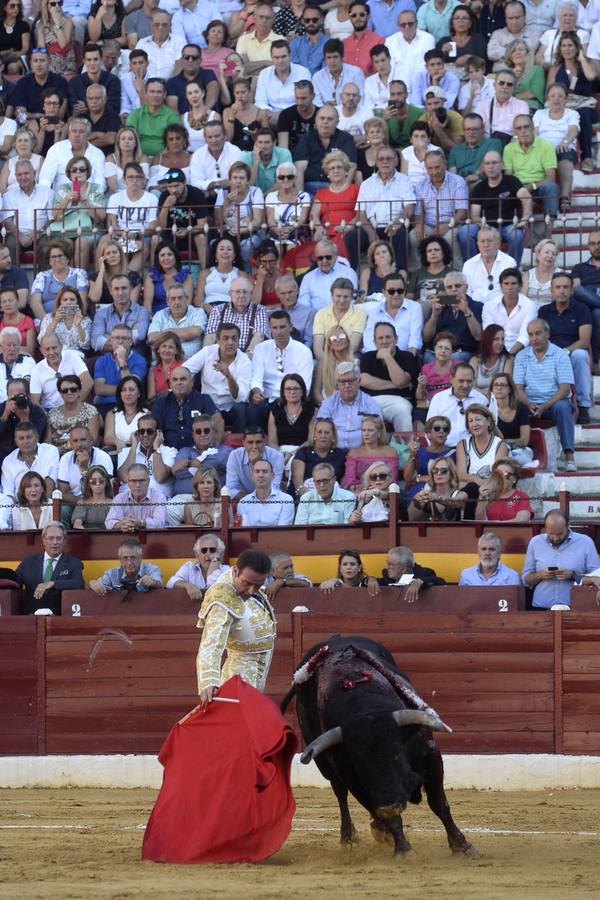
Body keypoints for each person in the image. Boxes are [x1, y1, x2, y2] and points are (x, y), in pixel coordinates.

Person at [195, 548, 274, 705]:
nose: (252, 591)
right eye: (247, 583)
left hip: (255, 679)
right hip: (237, 683)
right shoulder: (223, 598)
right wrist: (209, 681)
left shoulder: (246, 582)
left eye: (258, 586)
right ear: (235, 571)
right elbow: (211, 644)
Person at [513, 318, 577, 470]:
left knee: (563, 407)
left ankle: (569, 457)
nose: (534, 338)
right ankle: (514, 452)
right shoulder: (521, 356)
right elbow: (518, 388)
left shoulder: (560, 354)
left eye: (538, 333)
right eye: (530, 335)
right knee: (513, 406)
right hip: (529, 404)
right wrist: (529, 405)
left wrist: (544, 407)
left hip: (553, 404)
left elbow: (565, 389)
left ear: (547, 334)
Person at [536, 272, 593, 424]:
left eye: (566, 287)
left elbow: (585, 340)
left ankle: (583, 406)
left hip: (572, 352)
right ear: (552, 290)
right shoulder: (544, 311)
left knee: (580, 355)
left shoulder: (582, 309)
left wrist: (565, 351)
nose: (562, 291)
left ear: (572, 290)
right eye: (558, 287)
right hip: (549, 353)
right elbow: (540, 337)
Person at [347, 145, 415, 271]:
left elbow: (409, 207)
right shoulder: (366, 184)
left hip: (394, 226)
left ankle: (401, 272)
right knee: (352, 236)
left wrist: (397, 223)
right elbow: (360, 213)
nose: (385, 162)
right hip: (371, 227)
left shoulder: (405, 181)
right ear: (376, 162)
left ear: (396, 161)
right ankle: (353, 272)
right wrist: (370, 232)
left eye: (389, 158)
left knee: (402, 234)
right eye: (381, 159)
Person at [459, 150, 531, 266]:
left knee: (517, 236)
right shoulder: (479, 187)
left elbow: (526, 198)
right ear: (483, 166)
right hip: (485, 226)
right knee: (465, 232)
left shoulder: (511, 181)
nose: (490, 167)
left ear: (501, 165)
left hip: (509, 225)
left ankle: (512, 269)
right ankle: (473, 266)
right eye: (487, 164)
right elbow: (475, 215)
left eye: (494, 163)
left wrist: (525, 218)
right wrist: (483, 226)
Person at [522, 509, 599, 609]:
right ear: (545, 528)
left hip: (575, 608)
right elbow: (525, 580)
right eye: (551, 534)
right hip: (541, 608)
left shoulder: (585, 542)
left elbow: (596, 578)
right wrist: (540, 575)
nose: (555, 538)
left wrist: (573, 575)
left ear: (568, 525)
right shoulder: (535, 542)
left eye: (559, 534)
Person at [185, 323, 251, 432]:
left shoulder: (245, 361)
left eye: (234, 339)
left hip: (231, 408)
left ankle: (238, 443)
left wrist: (229, 376)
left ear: (239, 340)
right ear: (217, 340)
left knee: (241, 409)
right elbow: (186, 370)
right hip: (207, 407)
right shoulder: (207, 352)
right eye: (225, 338)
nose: (230, 342)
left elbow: (241, 397)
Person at [546, 31, 597, 173]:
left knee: (582, 113)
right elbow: (549, 91)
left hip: (585, 105)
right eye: (563, 46)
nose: (567, 49)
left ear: (577, 48)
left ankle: (587, 157)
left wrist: (582, 59)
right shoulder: (556, 68)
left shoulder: (587, 63)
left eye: (570, 45)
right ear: (559, 48)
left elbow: (591, 76)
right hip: (563, 106)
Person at [359, 322, 418, 432]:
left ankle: (404, 448)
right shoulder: (367, 357)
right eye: (380, 338)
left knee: (402, 411)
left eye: (388, 337)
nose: (384, 341)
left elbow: (400, 381)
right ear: (375, 342)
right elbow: (364, 381)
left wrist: (387, 357)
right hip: (371, 401)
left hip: (399, 401)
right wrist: (395, 385)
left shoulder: (407, 356)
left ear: (396, 339)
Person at [14, 521, 84, 615]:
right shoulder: (28, 562)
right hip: (30, 617)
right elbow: (14, 583)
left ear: (64, 541)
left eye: (59, 538)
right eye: (51, 538)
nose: (55, 542)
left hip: (60, 617)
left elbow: (79, 583)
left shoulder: (74, 563)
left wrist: (53, 583)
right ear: (43, 540)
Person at [412, 149, 468, 263]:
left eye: (437, 167)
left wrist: (447, 225)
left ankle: (457, 270)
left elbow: (462, 212)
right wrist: (419, 225)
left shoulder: (458, 182)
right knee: (413, 236)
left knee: (449, 238)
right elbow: (418, 212)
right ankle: (419, 271)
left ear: (445, 165)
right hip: (429, 225)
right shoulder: (420, 185)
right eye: (430, 168)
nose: (434, 172)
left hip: (452, 224)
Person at [502, 114, 560, 224]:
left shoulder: (546, 146)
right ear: (515, 132)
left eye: (526, 126)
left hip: (539, 187)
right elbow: (508, 178)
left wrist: (531, 186)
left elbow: (551, 178)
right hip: (517, 188)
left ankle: (549, 231)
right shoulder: (508, 149)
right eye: (519, 128)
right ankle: (513, 228)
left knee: (552, 187)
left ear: (533, 128)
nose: (523, 131)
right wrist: (520, 189)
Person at [455, 403, 508, 517]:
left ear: (488, 421)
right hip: (468, 486)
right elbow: (461, 474)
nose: (474, 424)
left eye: (478, 419)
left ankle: (466, 523)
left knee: (474, 490)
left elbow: (498, 475)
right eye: (470, 421)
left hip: (492, 486)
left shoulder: (499, 445)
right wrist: (476, 480)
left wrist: (483, 484)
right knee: (471, 488)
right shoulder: (463, 444)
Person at [293, 103, 357, 197]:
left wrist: (342, 192)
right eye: (322, 118)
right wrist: (301, 197)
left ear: (337, 122)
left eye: (329, 119)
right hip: (309, 187)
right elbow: (299, 168)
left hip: (335, 187)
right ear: (316, 120)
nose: (325, 121)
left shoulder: (346, 138)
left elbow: (351, 166)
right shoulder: (306, 138)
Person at [106, 162, 158, 272]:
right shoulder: (115, 198)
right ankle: (101, 276)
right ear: (124, 179)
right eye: (130, 177)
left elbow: (153, 227)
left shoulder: (151, 198)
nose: (134, 180)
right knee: (103, 241)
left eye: (138, 177)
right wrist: (123, 233)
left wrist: (136, 234)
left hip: (143, 236)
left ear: (144, 179)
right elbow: (111, 225)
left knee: (145, 246)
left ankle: (128, 276)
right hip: (120, 235)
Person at [316, 361, 382, 448]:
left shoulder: (370, 403)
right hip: (333, 452)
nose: (347, 385)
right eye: (342, 381)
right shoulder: (329, 403)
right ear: (337, 384)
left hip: (362, 451)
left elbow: (378, 430)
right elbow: (320, 429)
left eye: (351, 381)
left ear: (359, 381)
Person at [427, 363, 494, 448]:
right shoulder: (438, 399)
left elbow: (487, 429)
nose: (465, 385)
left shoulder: (481, 400)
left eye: (469, 381)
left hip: (472, 449)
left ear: (474, 380)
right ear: (451, 379)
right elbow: (429, 429)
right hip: (443, 449)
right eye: (461, 381)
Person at [422, 272, 483, 364]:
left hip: (462, 351)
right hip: (438, 351)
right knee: (428, 357)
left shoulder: (477, 306)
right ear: (446, 290)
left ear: (466, 288)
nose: (454, 289)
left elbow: (479, 336)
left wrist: (467, 311)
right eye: (449, 287)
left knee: (454, 358)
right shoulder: (440, 305)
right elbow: (426, 338)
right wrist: (434, 316)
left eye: (457, 286)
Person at [214, 160, 265, 268]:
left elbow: (257, 221)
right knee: (214, 244)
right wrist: (226, 202)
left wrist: (240, 230)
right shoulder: (223, 193)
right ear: (230, 180)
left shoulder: (255, 192)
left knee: (245, 247)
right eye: (235, 178)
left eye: (242, 178)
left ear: (247, 181)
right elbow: (218, 222)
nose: (238, 181)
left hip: (251, 233)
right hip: (228, 233)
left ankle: (244, 272)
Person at [1, 159, 54, 261]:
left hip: (41, 234)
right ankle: (14, 277)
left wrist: (36, 234)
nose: (23, 177)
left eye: (26, 173)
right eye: (19, 174)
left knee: (46, 246)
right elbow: (7, 220)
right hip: (16, 234)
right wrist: (20, 236)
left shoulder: (47, 192)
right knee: (10, 246)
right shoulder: (9, 194)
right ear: (16, 177)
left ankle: (43, 276)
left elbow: (51, 218)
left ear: (34, 173)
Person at [38, 116, 106, 195]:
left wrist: (90, 200)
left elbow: (100, 182)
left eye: (81, 131)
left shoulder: (98, 154)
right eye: (74, 131)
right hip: (60, 201)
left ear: (88, 135)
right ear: (69, 133)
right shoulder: (56, 149)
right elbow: (45, 180)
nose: (77, 135)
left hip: (88, 200)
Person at [93, 324, 148, 420]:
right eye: (117, 338)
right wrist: (124, 390)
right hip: (105, 405)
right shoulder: (102, 361)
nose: (120, 341)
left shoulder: (140, 360)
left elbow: (132, 387)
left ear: (130, 342)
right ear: (111, 341)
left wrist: (122, 361)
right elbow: (99, 389)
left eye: (124, 338)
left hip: (130, 406)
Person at [203, 277, 269, 356]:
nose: (241, 295)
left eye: (245, 292)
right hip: (221, 357)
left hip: (249, 357)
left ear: (251, 294)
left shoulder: (259, 310)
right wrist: (209, 358)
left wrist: (246, 357)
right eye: (237, 292)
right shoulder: (218, 310)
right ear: (230, 294)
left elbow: (259, 336)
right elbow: (210, 337)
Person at [156, 167, 209, 265]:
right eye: (170, 186)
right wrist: (165, 207)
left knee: (201, 237)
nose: (173, 190)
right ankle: (156, 274)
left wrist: (187, 230)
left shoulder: (196, 194)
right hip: (171, 235)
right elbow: (161, 226)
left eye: (177, 185)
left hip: (192, 234)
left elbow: (202, 225)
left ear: (184, 183)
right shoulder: (164, 196)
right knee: (156, 239)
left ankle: (205, 273)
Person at [56, 424, 113, 513]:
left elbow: (105, 490)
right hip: (75, 502)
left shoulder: (103, 457)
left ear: (91, 440)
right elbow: (63, 493)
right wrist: (81, 502)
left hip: (99, 503)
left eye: (83, 440)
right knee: (63, 511)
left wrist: (84, 469)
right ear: (70, 443)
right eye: (75, 441)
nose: (79, 444)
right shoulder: (65, 458)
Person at [29, 238, 89, 322]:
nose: (57, 259)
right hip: (47, 320)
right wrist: (48, 322)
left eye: (60, 256)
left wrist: (70, 323)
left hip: (73, 321)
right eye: (53, 257)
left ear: (67, 258)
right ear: (49, 261)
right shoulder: (42, 276)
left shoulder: (79, 274)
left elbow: (83, 302)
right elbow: (35, 303)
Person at [363, 272, 423, 354]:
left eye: (400, 291)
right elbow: (368, 340)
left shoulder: (415, 307)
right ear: (383, 292)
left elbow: (415, 339)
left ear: (405, 291)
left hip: (405, 356)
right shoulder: (375, 312)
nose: (396, 294)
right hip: (379, 357)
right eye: (391, 291)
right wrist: (378, 358)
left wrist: (409, 358)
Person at [254, 40, 311, 125]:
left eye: (283, 56)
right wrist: (270, 113)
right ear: (272, 58)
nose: (280, 61)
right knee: (250, 126)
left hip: (296, 114)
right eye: (276, 57)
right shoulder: (264, 74)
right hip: (270, 116)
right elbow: (260, 101)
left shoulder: (303, 72)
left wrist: (282, 115)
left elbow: (305, 100)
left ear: (290, 56)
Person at [30, 334, 92, 411]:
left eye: (54, 348)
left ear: (61, 346)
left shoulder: (72, 357)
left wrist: (75, 405)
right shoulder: (37, 369)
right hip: (51, 411)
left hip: (77, 405)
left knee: (96, 416)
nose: (51, 352)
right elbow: (35, 401)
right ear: (42, 351)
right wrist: (47, 417)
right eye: (47, 349)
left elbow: (88, 382)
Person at [266, 373, 315, 469]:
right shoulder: (275, 410)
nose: (292, 392)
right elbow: (272, 442)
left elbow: (311, 441)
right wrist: (282, 455)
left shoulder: (311, 410)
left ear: (302, 392)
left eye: (296, 389)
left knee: (295, 462)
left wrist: (293, 453)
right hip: (280, 451)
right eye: (288, 389)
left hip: (302, 451)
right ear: (283, 392)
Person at [482, 268, 537, 353]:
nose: (510, 287)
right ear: (500, 286)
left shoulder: (530, 305)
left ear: (520, 286)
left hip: (521, 352)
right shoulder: (489, 305)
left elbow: (525, 337)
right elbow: (490, 333)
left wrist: (509, 356)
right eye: (506, 283)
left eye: (513, 283)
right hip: (493, 350)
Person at [89, 271, 147, 351]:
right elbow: (96, 342)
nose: (120, 293)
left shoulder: (141, 312)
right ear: (110, 291)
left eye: (124, 288)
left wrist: (108, 336)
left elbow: (140, 336)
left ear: (131, 289)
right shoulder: (101, 314)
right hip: (109, 359)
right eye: (116, 289)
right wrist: (129, 337)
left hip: (134, 357)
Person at [147, 283, 205, 361]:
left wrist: (168, 331)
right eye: (173, 298)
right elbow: (152, 338)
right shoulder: (159, 315)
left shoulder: (197, 312)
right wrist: (184, 335)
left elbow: (195, 332)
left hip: (189, 365)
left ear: (187, 299)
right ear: (167, 301)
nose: (177, 302)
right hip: (161, 365)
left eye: (180, 298)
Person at [312, 277, 367, 359]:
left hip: (351, 355)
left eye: (346, 297)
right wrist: (327, 363)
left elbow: (354, 344)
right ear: (332, 296)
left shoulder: (360, 313)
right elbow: (318, 347)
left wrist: (340, 362)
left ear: (352, 297)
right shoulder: (321, 314)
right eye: (338, 296)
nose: (342, 300)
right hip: (327, 356)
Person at [225, 425, 284, 501]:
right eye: (250, 442)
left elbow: (274, 488)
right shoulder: (235, 455)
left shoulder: (276, 456)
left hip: (270, 501)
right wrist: (251, 500)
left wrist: (257, 463)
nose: (254, 446)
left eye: (258, 442)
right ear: (243, 442)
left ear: (264, 441)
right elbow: (230, 489)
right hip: (244, 500)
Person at [341, 414, 399, 491]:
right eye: (364, 430)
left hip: (384, 492)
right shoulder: (354, 453)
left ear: (379, 433)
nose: (366, 434)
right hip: (359, 492)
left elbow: (392, 479)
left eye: (370, 430)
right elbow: (349, 481)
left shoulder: (390, 452)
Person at [474, 68, 529, 145]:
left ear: (514, 88)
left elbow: (521, 131)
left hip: (512, 145)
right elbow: (476, 129)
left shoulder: (521, 105)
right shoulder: (482, 105)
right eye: (501, 83)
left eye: (509, 84)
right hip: (487, 144)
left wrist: (508, 149)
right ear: (494, 85)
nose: (505, 86)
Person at [461, 227, 517, 304]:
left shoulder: (509, 262)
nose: (486, 245)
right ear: (478, 244)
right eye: (482, 241)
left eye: (489, 241)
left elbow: (510, 291)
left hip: (500, 307)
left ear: (498, 243)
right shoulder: (468, 265)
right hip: (476, 309)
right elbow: (467, 292)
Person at [403, 415, 453, 499]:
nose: (441, 431)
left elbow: (453, 477)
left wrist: (419, 478)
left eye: (445, 429)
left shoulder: (453, 453)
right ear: (428, 434)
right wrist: (412, 455)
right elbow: (408, 478)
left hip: (443, 492)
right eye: (437, 428)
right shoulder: (419, 452)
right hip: (418, 491)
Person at [105, 463, 167, 530]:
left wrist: (141, 523)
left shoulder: (159, 497)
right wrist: (121, 525)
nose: (137, 485)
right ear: (128, 483)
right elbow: (109, 522)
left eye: (141, 480)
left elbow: (160, 523)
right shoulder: (120, 498)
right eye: (133, 481)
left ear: (148, 481)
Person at [166, 534, 229, 601]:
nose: (208, 553)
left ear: (220, 554)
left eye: (212, 550)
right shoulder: (189, 567)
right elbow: (170, 583)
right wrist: (188, 585)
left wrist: (214, 566)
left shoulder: (227, 570)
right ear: (197, 555)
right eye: (204, 550)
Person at [490, 371, 533, 467]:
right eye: (496, 385)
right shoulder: (488, 410)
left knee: (518, 460)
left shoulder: (521, 408)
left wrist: (505, 443)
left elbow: (524, 440)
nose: (499, 388)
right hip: (498, 451)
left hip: (520, 451)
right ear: (492, 389)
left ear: (510, 389)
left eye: (503, 385)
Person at [89, 538, 163, 594]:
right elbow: (97, 585)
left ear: (140, 558)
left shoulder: (151, 569)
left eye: (133, 557)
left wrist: (153, 582)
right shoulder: (112, 573)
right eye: (125, 558)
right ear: (120, 559)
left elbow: (160, 585)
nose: (129, 562)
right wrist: (93, 583)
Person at [572, 230, 600, 373]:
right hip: (588, 299)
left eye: (599, 243)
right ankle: (597, 361)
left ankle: (596, 360)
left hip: (591, 302)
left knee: (597, 312)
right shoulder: (579, 268)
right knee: (577, 290)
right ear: (588, 246)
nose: (596, 247)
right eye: (593, 244)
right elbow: (576, 289)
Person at [265, 162, 311, 247]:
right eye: (281, 177)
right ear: (277, 179)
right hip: (276, 232)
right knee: (276, 247)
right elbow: (270, 221)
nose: (285, 180)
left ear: (295, 178)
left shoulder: (304, 196)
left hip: (297, 232)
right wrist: (277, 230)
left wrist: (289, 229)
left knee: (292, 246)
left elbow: (303, 220)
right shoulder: (271, 196)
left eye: (290, 177)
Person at [68, 42, 121, 117]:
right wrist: (99, 106)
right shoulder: (74, 83)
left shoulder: (113, 81)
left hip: (106, 122)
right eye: (89, 60)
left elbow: (113, 108)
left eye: (95, 59)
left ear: (101, 59)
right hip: (82, 123)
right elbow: (75, 108)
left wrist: (86, 106)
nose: (92, 63)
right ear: (84, 61)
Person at [237, 458, 295, 526]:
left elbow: (282, 532)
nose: (261, 475)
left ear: (273, 476)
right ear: (252, 476)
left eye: (265, 471)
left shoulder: (286, 500)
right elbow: (245, 532)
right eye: (257, 471)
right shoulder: (243, 503)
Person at [408, 456, 467, 521]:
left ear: (451, 473)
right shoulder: (427, 494)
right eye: (435, 470)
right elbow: (411, 518)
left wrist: (437, 498)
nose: (439, 473)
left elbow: (456, 502)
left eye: (443, 471)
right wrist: (416, 502)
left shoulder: (461, 494)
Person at [378, 545, 446, 602]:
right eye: (387, 563)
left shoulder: (423, 572)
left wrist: (420, 581)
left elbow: (440, 581)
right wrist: (370, 579)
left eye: (391, 564)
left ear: (403, 568)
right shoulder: (387, 574)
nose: (387, 567)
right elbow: (380, 582)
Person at [37, 286, 91, 356]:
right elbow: (42, 340)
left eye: (72, 299)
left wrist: (78, 325)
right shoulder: (48, 318)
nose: (69, 302)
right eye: (65, 300)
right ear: (60, 302)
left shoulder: (85, 320)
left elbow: (85, 345)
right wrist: (55, 321)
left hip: (76, 356)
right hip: (54, 355)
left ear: (77, 302)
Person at [476, 457, 534, 522]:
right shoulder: (489, 496)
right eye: (498, 474)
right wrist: (481, 498)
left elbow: (522, 520)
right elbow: (479, 521)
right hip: (489, 531)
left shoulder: (522, 496)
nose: (501, 478)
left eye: (506, 474)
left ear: (514, 479)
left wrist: (498, 524)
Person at [103, 374, 150, 452]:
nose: (127, 393)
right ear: (120, 394)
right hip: (117, 451)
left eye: (131, 389)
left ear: (139, 393)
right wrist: (117, 442)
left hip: (139, 452)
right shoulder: (112, 414)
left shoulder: (147, 414)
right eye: (124, 390)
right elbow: (108, 438)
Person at [135, 9, 185, 81]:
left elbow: (180, 64)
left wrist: (170, 82)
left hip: (170, 83)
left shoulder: (179, 41)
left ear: (170, 26)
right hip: (146, 84)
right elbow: (137, 67)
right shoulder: (142, 43)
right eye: (156, 24)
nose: (160, 28)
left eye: (164, 25)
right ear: (151, 26)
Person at [194, 237, 241, 314]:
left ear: (234, 255)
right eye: (222, 249)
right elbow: (198, 300)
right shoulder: (205, 273)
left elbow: (249, 299)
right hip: (209, 311)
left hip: (233, 311)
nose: (225, 252)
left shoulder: (241, 275)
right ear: (215, 254)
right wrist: (205, 306)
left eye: (229, 249)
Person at [487, 1, 539, 65]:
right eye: (510, 18)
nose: (514, 22)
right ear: (505, 19)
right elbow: (491, 53)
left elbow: (531, 48)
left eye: (517, 17)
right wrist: (519, 51)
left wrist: (506, 49)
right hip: (502, 72)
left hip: (527, 72)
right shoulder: (497, 34)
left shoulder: (534, 32)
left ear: (525, 16)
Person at [276, 79, 318, 154]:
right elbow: (283, 148)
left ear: (313, 96)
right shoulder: (286, 115)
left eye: (303, 98)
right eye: (297, 98)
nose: (299, 102)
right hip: (291, 157)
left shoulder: (321, 115)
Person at [35, 0, 77, 75]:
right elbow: (41, 47)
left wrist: (57, 23)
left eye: (59, 3)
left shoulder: (68, 21)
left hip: (65, 60)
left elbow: (63, 44)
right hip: (48, 59)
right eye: (53, 4)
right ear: (46, 5)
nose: (57, 6)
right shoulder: (41, 24)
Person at [406, 235, 452, 302]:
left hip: (444, 308)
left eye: (436, 250)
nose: (433, 253)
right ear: (425, 255)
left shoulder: (452, 273)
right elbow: (409, 298)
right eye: (429, 251)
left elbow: (457, 298)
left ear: (443, 253)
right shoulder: (417, 274)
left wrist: (439, 299)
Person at [469, 325, 513, 397]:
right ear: (487, 340)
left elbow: (506, 387)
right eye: (496, 339)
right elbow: (470, 387)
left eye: (502, 339)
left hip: (498, 401)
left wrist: (482, 392)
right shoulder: (475, 360)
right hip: (477, 400)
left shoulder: (506, 360)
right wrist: (487, 393)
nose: (501, 343)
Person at [105, 126, 150, 194]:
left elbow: (142, 184)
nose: (127, 141)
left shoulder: (143, 158)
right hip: (117, 196)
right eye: (123, 139)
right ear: (118, 143)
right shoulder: (111, 158)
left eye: (130, 139)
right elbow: (112, 187)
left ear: (135, 143)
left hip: (138, 195)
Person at [505, 38, 545, 112]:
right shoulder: (508, 74)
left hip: (532, 108)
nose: (517, 53)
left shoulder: (537, 70)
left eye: (520, 50)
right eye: (513, 51)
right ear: (510, 56)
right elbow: (504, 93)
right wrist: (513, 78)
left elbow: (533, 93)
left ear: (527, 53)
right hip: (511, 108)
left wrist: (513, 97)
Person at [71, 465, 114, 529]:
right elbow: (77, 523)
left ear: (106, 482)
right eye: (93, 482)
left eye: (101, 481)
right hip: (88, 536)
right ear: (88, 484)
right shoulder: (83, 503)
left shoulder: (114, 503)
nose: (97, 484)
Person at [523, 237, 560, 308]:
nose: (550, 256)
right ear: (538, 254)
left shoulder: (560, 274)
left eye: (554, 254)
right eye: (547, 252)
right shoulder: (527, 275)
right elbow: (522, 300)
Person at [290, 5, 328, 74]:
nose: (311, 23)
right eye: (307, 20)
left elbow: (327, 72)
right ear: (302, 21)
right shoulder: (294, 44)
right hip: (300, 83)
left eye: (314, 20)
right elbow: (294, 70)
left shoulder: (329, 43)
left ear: (322, 20)